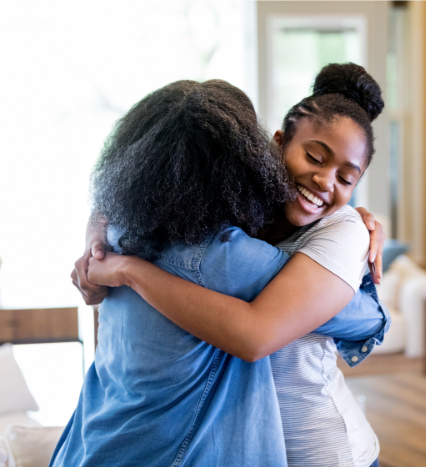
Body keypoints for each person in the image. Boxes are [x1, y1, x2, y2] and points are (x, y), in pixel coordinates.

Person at [57, 72, 388, 467]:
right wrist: (97, 239)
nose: (324, 180)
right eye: (314, 157)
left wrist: (125, 267)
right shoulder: (226, 234)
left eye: (347, 178)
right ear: (268, 148)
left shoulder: (146, 237)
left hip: (326, 451)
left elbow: (360, 319)